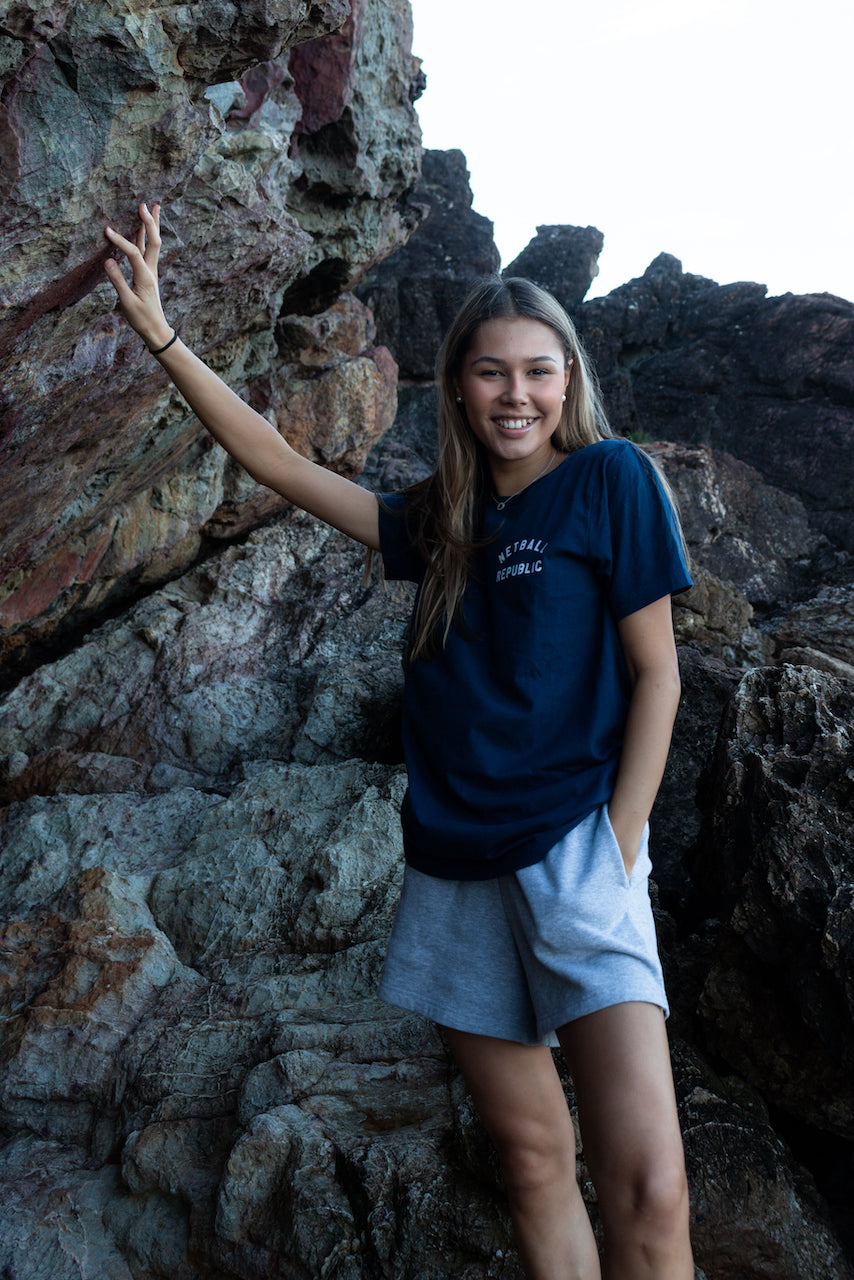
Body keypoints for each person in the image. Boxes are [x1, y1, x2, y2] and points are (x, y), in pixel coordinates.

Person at [104, 202, 695, 1280]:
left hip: (576, 850)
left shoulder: (610, 480)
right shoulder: (439, 522)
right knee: (528, 1156)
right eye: (487, 371)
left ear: (567, 378)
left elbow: (656, 676)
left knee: (648, 1184)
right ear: (456, 387)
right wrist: (159, 331)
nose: (513, 393)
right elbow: (279, 465)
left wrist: (614, 851)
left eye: (536, 369)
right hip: (453, 871)